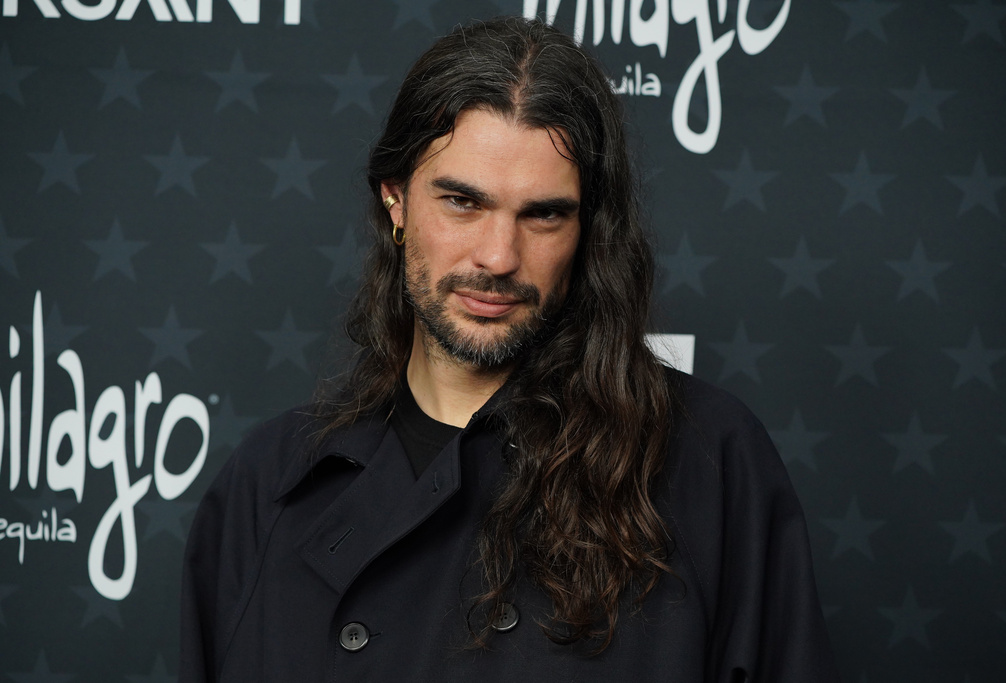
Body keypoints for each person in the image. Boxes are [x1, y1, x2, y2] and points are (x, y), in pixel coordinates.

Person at [179, 16, 841, 682]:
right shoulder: (268, 487)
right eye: (463, 201)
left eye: (543, 214)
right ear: (395, 200)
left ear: (588, 229)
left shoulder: (706, 462)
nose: (499, 256)